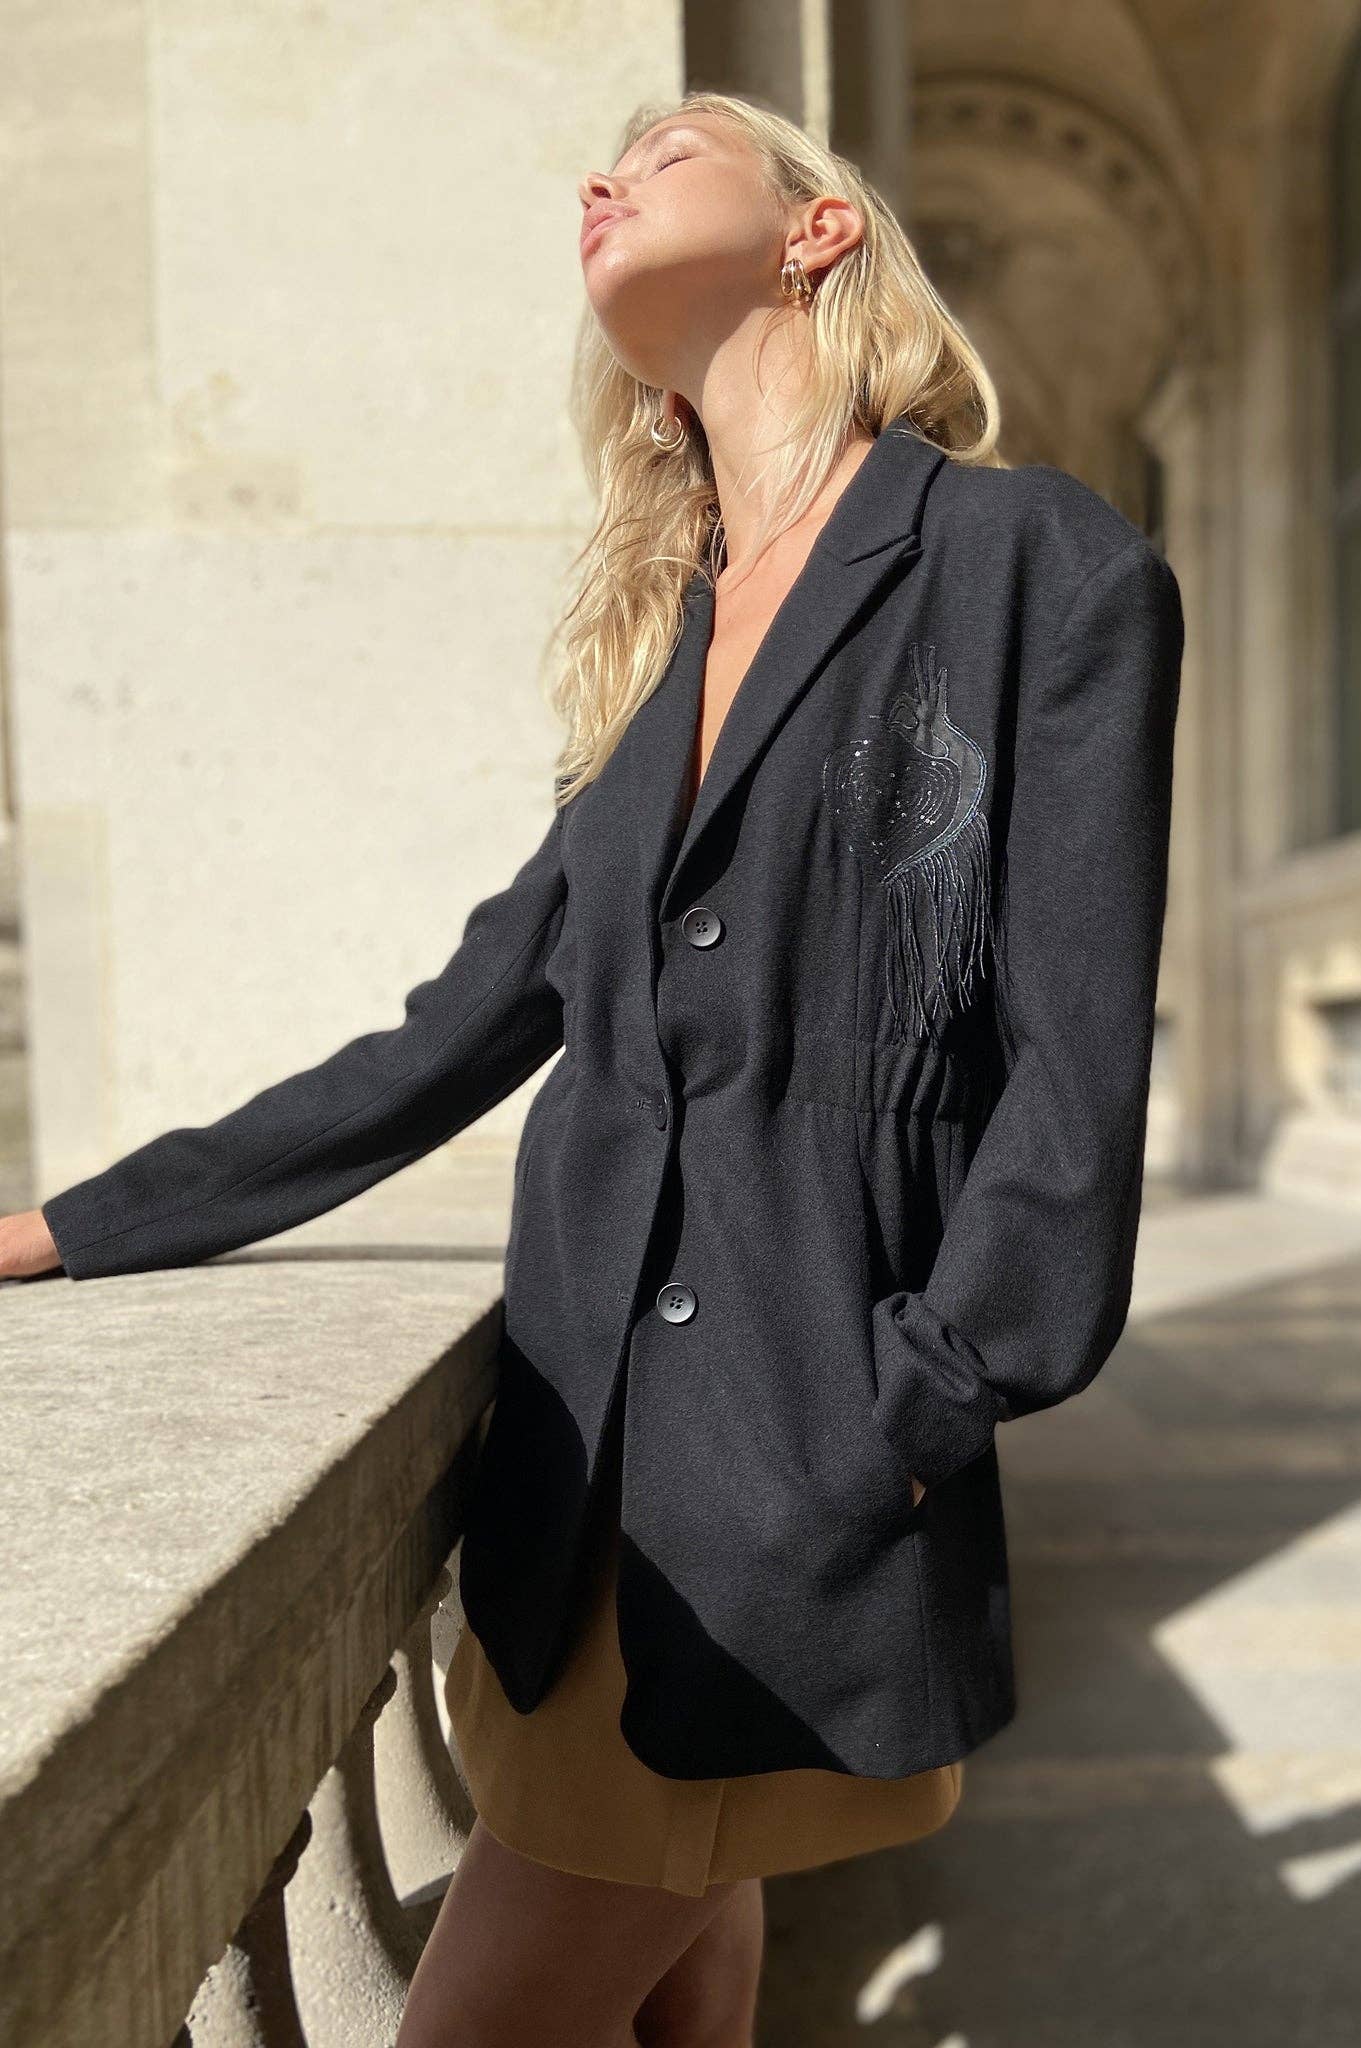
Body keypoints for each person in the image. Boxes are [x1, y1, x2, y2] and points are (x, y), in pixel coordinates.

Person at [3, 87, 1184, 2048]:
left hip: (793, 1487)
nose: (602, 179)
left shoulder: (1033, 567)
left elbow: (1073, 1077)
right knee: (682, 1991)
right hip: (574, 1501)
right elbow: (444, 1039)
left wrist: (910, 1406)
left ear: (815, 230)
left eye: (668, 150)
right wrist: (78, 1222)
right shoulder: (667, 639)